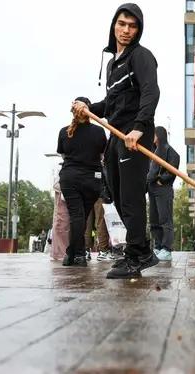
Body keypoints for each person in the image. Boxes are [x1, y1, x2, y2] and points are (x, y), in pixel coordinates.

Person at [73, 3, 160, 279]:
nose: (126, 30)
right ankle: (141, 249)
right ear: (114, 25)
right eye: (122, 24)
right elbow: (109, 105)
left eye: (132, 26)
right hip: (117, 135)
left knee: (132, 196)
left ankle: (137, 254)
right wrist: (86, 106)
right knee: (116, 194)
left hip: (134, 135)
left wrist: (139, 127)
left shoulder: (141, 57)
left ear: (138, 30)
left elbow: (150, 92)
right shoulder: (113, 64)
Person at [58, 96, 107, 267]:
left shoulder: (64, 132)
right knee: (81, 216)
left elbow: (63, 155)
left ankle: (73, 253)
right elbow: (102, 155)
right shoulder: (99, 132)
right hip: (92, 179)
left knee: (77, 217)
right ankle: (76, 254)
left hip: (69, 177)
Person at [148, 126, 180, 261]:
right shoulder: (151, 151)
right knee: (154, 219)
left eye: (154, 134)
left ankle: (167, 249)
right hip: (152, 189)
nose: (152, 137)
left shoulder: (170, 151)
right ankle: (158, 246)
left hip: (164, 189)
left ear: (159, 135)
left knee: (165, 219)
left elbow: (173, 168)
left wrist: (162, 180)